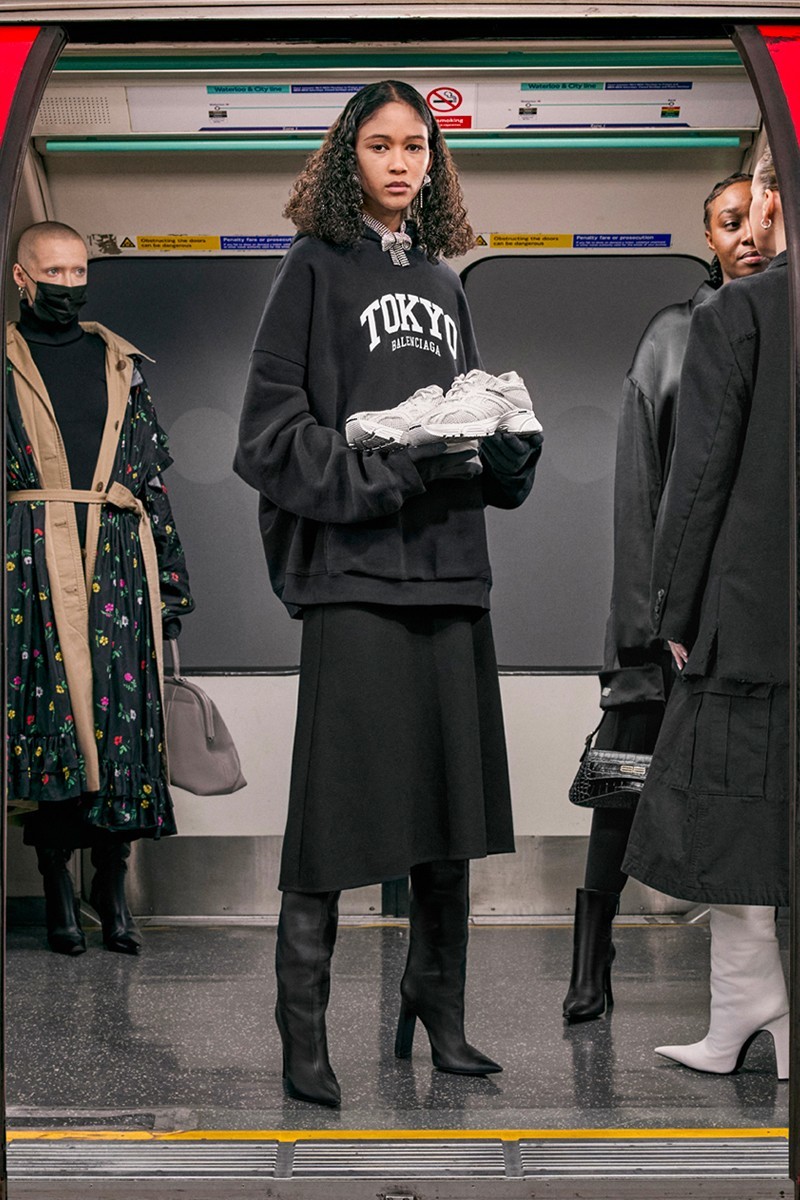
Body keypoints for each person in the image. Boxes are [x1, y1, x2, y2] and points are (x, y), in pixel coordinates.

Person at [235, 80, 542, 1108]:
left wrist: (504, 459)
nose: (402, 162)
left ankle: (436, 1006)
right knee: (335, 815)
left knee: (450, 811)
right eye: (380, 145)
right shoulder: (310, 269)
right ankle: (303, 1030)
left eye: (417, 146)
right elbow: (269, 440)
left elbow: (462, 421)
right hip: (356, 576)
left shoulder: (449, 284)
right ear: (346, 158)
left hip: (450, 573)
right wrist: (392, 470)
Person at [562, 174, 766, 1024]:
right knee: (624, 780)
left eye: (759, 220)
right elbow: (640, 489)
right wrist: (640, 627)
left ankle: (755, 979)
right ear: (708, 238)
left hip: (749, 610)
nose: (748, 235)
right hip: (663, 614)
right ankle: (591, 953)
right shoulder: (674, 336)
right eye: (730, 222)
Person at [622, 145, 790, 1077]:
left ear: (772, 198)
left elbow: (697, 486)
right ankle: (750, 1018)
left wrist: (671, 612)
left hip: (749, 622)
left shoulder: (740, 314)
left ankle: (747, 1009)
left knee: (722, 812)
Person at [6, 222, 194, 956]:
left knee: (121, 723)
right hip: (29, 560)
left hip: (117, 557)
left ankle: (111, 891)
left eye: (78, 271)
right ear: (21, 277)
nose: (67, 284)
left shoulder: (121, 363)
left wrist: (170, 586)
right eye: (52, 272)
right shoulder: (5, 363)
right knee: (53, 721)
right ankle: (56, 885)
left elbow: (151, 483)